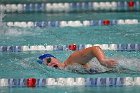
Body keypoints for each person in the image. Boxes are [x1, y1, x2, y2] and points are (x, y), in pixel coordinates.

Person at [37, 46, 118, 71]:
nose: (49, 64)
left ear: (55, 58)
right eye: (46, 64)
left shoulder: (71, 60)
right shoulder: (67, 69)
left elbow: (94, 49)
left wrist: (102, 60)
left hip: (117, 67)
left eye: (48, 60)